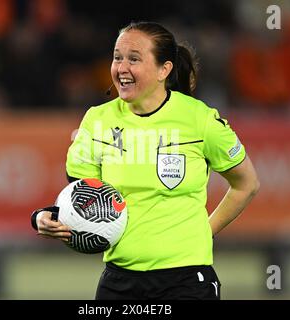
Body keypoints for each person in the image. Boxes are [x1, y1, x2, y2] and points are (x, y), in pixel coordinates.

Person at [31, 21, 260, 300]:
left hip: (186, 281)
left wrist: (205, 231)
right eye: (117, 57)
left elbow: (246, 184)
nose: (121, 68)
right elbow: (84, 201)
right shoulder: (96, 121)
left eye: (134, 59)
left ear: (164, 69)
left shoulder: (200, 119)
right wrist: (43, 218)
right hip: (119, 282)